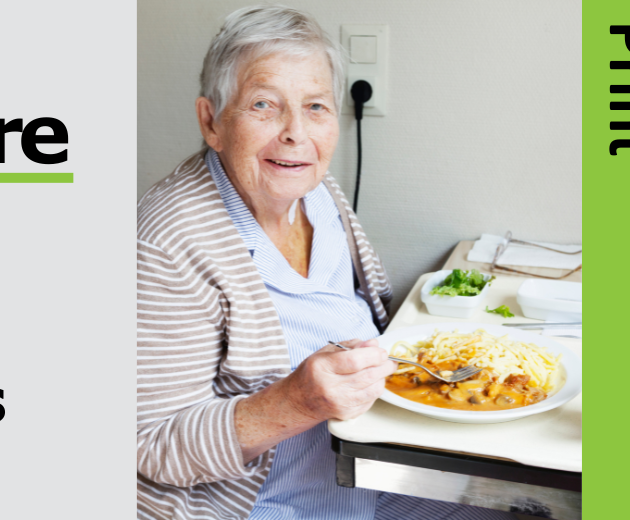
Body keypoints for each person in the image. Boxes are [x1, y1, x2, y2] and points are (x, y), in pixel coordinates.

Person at [136, 6, 516, 520]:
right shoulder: (166, 244)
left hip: (369, 475)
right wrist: (295, 403)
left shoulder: (316, 191)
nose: (296, 132)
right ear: (212, 122)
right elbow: (149, 445)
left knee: (532, 507)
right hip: (263, 508)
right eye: (264, 105)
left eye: (315, 106)